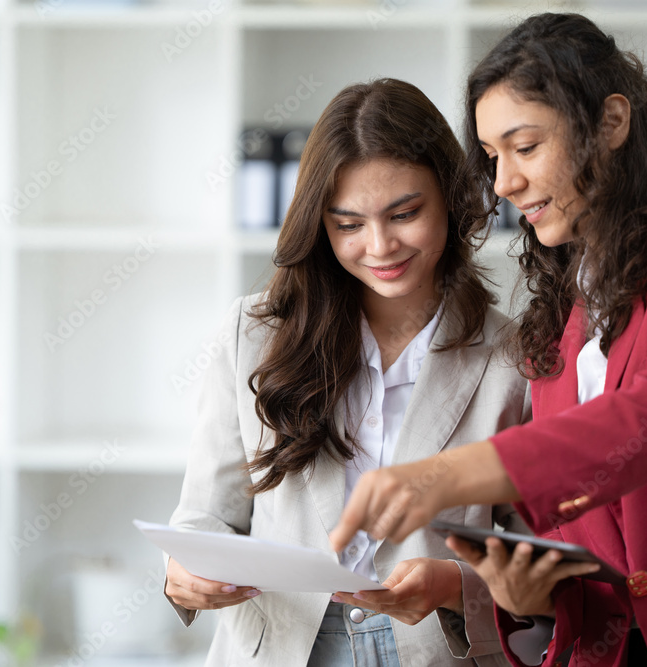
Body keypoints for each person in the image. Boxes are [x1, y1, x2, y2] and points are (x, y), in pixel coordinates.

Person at [329, 13, 647, 667]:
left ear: (612, 122)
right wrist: (519, 592)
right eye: (494, 158)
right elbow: (600, 560)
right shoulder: (568, 314)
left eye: (525, 147)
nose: (503, 183)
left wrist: (445, 475)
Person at [162, 78, 532, 667]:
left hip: (433, 650)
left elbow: (539, 569)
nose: (380, 246)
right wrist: (181, 575)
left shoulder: (513, 358)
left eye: (405, 213)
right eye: (348, 224)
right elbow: (206, 515)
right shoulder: (254, 336)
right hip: (281, 645)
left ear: (452, 199)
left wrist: (457, 586)